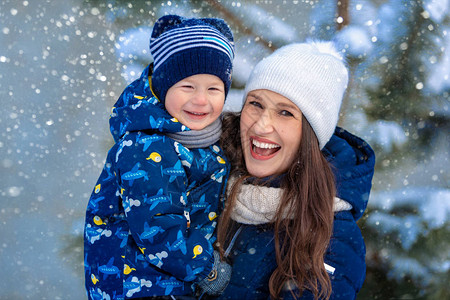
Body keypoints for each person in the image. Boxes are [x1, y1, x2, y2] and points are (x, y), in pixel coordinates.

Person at [84, 15, 235, 300]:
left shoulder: (203, 139)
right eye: (187, 87)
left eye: (213, 88)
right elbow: (159, 232)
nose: (201, 99)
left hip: (171, 283)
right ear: (164, 87)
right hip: (140, 286)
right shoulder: (146, 148)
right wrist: (209, 270)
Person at [214, 41, 375, 299]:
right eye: (256, 104)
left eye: (286, 113)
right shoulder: (209, 182)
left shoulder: (333, 237)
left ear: (311, 136)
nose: (262, 125)